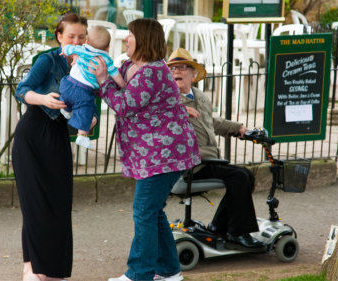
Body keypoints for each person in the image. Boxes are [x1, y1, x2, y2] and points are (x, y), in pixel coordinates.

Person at [90, 19, 201, 281]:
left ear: (144, 40)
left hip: (165, 155)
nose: (126, 39)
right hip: (153, 155)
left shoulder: (152, 71)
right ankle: (170, 272)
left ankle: (139, 274)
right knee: (152, 210)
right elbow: (118, 89)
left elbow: (126, 105)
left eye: (130, 35)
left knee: (143, 211)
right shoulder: (131, 66)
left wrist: (104, 80)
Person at [13, 13, 92, 281]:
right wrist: (44, 99)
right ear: (59, 36)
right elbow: (22, 90)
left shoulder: (90, 63)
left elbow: (92, 106)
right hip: (32, 135)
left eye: (81, 36)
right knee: (34, 203)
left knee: (59, 203)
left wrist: (89, 119)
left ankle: (55, 269)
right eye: (71, 36)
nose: (76, 41)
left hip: (58, 136)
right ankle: (31, 267)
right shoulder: (47, 60)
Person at [166, 47, 264, 250]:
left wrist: (238, 128)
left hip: (210, 160)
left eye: (183, 67)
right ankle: (238, 233)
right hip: (191, 163)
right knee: (239, 177)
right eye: (173, 68)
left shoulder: (200, 97)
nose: (176, 72)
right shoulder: (168, 102)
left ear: (193, 75)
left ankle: (220, 226)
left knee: (246, 176)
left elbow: (212, 122)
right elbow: (161, 119)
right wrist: (178, 111)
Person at [59, 25, 126, 149]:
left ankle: (66, 108)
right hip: (83, 91)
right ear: (108, 47)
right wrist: (123, 86)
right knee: (87, 110)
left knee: (67, 98)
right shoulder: (106, 59)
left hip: (67, 83)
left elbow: (68, 48)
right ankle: (82, 136)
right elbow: (116, 75)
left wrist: (65, 51)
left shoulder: (81, 49)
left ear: (87, 42)